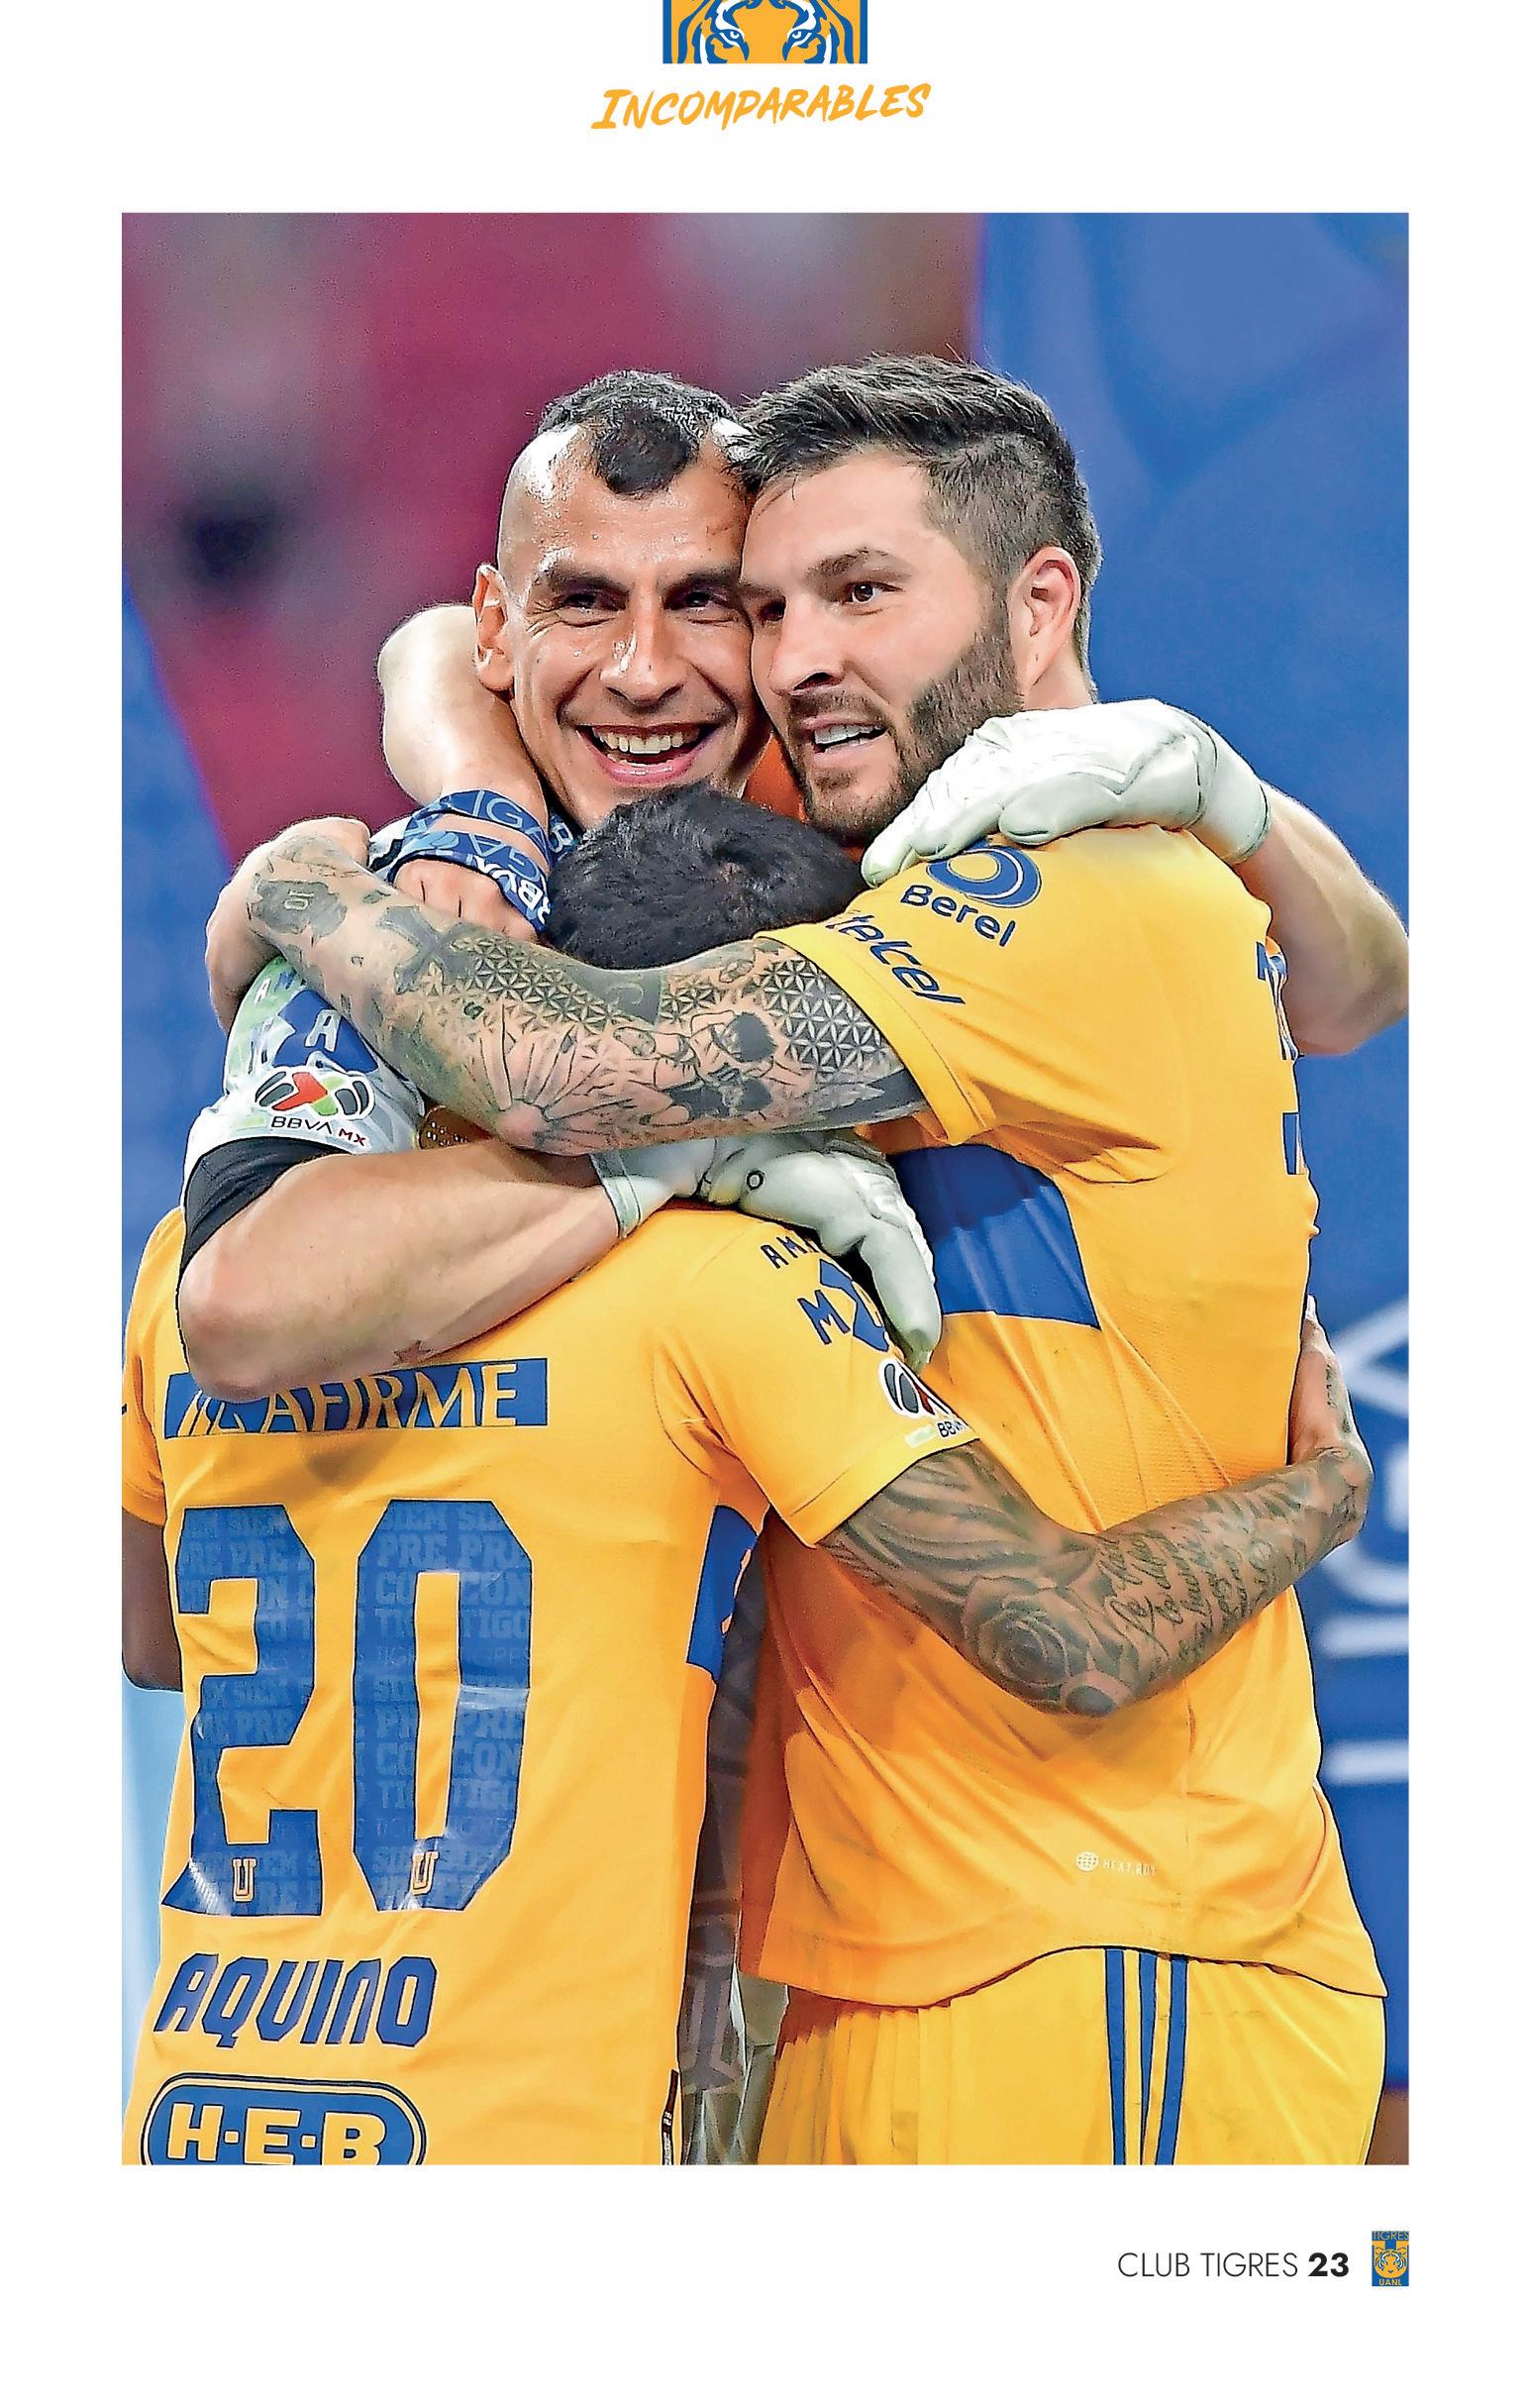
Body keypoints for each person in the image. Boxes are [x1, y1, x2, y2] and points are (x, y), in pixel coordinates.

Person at [212, 356, 1403, 2162]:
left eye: (853, 592)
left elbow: (554, 1069)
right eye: (769, 607)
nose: (783, 660)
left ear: (1038, 605)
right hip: (868, 1951)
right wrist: (467, 788)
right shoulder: (815, 838)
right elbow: (444, 649)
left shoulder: (1058, 891)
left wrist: (306, 885)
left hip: (1097, 1930)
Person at [122, 794, 1372, 2165]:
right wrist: (1317, 1490)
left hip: (199, 2112)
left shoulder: (182, 1271)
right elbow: (1066, 1631)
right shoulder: (728, 1286)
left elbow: (150, 1639)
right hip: (525, 2139)